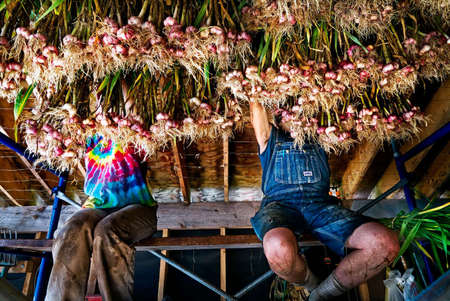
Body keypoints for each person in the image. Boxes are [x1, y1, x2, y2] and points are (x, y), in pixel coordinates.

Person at [249, 102, 400, 300]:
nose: (296, 117)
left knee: (385, 245)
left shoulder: (321, 136)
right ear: (277, 118)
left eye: (302, 112)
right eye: (289, 113)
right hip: (280, 208)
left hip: (322, 208)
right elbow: (256, 108)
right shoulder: (270, 138)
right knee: (278, 248)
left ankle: (321, 295)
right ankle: (309, 284)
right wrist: (254, 91)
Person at [45, 133, 157, 301]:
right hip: (97, 204)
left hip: (138, 207)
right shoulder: (84, 129)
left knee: (107, 230)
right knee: (71, 230)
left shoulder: (130, 124)